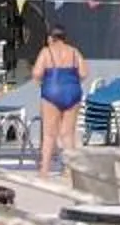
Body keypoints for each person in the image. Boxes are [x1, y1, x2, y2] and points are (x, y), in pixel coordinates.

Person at [32, 20, 91, 175]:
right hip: (72, 89)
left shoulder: (46, 51)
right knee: (68, 134)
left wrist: (41, 82)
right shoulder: (74, 51)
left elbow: (36, 73)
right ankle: (70, 169)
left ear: (51, 38)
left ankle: (44, 169)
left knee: (49, 134)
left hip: (53, 88)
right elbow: (84, 73)